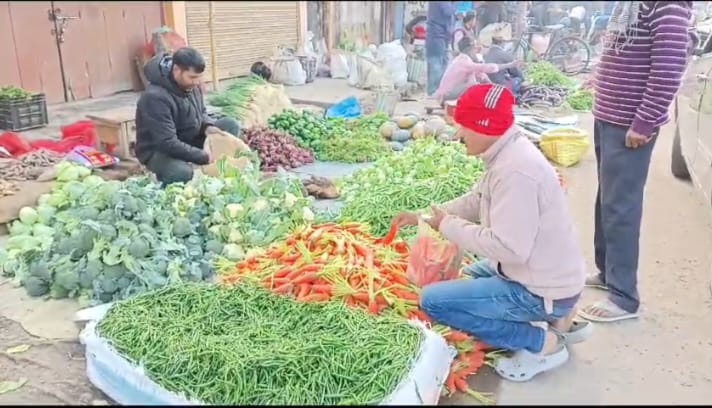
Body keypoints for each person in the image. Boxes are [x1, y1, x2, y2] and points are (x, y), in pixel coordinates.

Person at [392, 84, 592, 382]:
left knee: (434, 300)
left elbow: (510, 249)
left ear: (484, 126)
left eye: (464, 125)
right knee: (470, 274)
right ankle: (559, 319)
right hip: (547, 273)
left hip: (541, 286)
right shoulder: (508, 152)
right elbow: (477, 200)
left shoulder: (515, 172)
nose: (458, 134)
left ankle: (541, 342)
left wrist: (448, 226)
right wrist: (427, 216)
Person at [578, 2, 693, 323]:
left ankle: (624, 296)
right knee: (607, 200)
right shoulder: (633, 4)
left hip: (629, 126)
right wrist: (600, 78)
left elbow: (669, 67)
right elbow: (626, 51)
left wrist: (644, 122)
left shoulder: (667, 5)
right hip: (610, 118)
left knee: (621, 208)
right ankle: (607, 272)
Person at [135, 47, 241, 186]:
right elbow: (167, 142)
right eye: (192, 77)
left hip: (188, 137)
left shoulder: (191, 85)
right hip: (159, 150)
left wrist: (207, 126)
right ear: (177, 70)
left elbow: (201, 112)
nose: (197, 82)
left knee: (229, 125)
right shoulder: (155, 98)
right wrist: (202, 156)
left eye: (199, 77)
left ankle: (222, 166)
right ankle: (165, 179)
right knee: (182, 172)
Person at [433, 37, 515, 103]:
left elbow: (482, 75)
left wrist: (493, 89)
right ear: (470, 49)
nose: (477, 51)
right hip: (445, 96)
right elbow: (487, 68)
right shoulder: (463, 61)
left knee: (478, 83)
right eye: (475, 49)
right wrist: (509, 65)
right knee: (473, 85)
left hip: (449, 94)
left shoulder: (466, 60)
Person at [426, 1, 457, 96]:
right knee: (436, 64)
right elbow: (448, 11)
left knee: (442, 63)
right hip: (437, 35)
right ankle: (434, 92)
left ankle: (438, 91)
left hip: (441, 36)